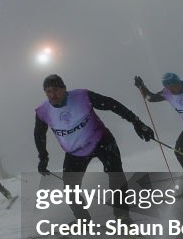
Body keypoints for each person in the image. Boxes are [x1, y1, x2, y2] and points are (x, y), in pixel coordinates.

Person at [34, 74, 155, 219]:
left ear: (64, 89)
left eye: (55, 90)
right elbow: (39, 134)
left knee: (116, 175)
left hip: (101, 141)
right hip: (75, 152)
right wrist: (43, 158)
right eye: (48, 91)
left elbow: (111, 104)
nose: (52, 95)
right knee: (70, 188)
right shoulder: (43, 111)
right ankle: (83, 219)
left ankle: (122, 215)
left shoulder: (82, 96)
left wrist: (137, 122)